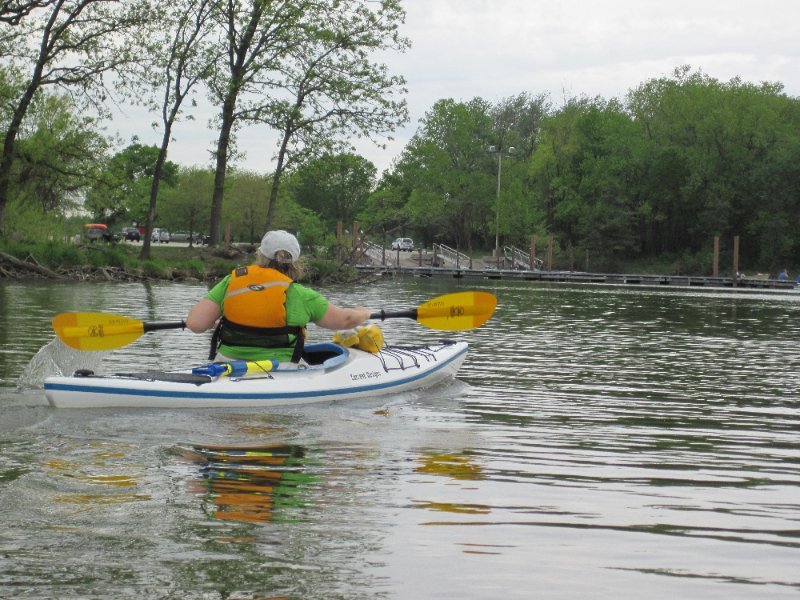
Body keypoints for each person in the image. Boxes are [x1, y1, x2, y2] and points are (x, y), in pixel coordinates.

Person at [186, 230, 371, 364]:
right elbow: (345, 320)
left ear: (260, 255)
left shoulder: (231, 281)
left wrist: (222, 324)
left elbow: (195, 324)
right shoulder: (300, 294)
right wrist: (363, 313)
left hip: (226, 365)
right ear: (296, 263)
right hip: (279, 371)